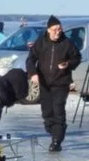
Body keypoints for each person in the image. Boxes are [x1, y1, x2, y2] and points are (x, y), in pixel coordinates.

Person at [27, 16, 83, 152]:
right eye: (55, 29)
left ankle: (56, 141)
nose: (58, 32)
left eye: (60, 29)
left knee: (58, 110)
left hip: (61, 82)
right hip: (44, 83)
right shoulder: (41, 42)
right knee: (47, 112)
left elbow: (77, 57)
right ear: (48, 30)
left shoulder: (66, 43)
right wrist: (33, 73)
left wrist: (68, 64)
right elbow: (31, 59)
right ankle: (54, 132)